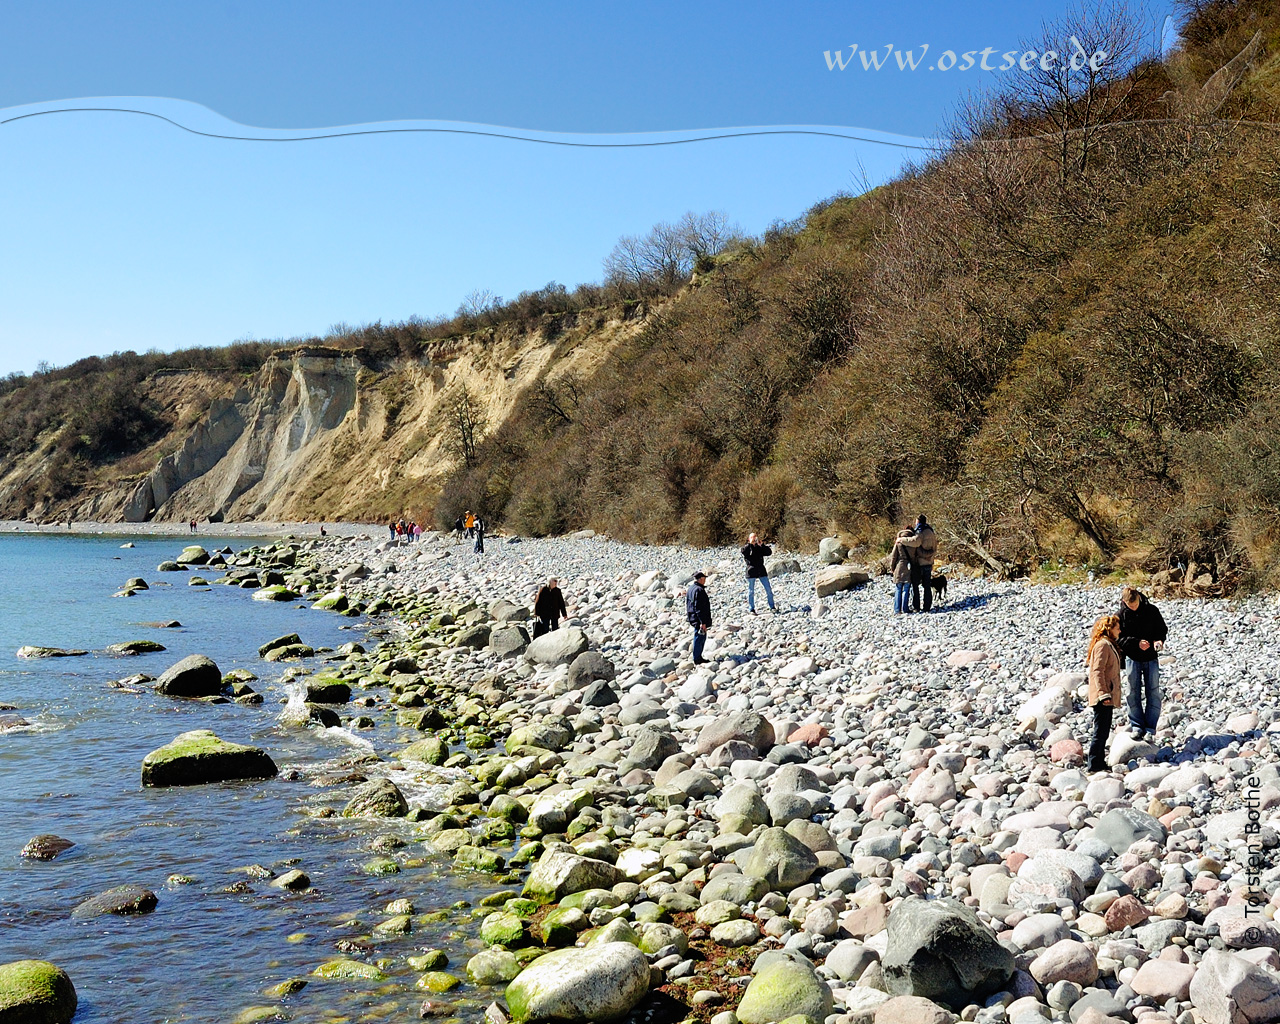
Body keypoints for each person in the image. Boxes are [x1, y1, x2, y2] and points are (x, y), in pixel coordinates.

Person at [1118, 586, 1167, 741]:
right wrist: (1136, 643)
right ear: (1124, 602)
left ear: (1139, 597)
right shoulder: (1120, 615)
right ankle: (1137, 726)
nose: (1134, 607)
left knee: (1153, 692)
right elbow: (1118, 639)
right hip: (1132, 658)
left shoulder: (1152, 610)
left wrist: (1159, 641)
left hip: (1151, 657)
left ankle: (1150, 728)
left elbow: (1162, 630)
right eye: (1130, 606)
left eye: (1135, 604)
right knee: (1132, 692)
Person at [1086, 613, 1123, 773]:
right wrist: (1103, 694)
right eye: (1117, 628)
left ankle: (1099, 762)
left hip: (1107, 694)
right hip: (1103, 696)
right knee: (1100, 731)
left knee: (1104, 730)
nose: (1120, 631)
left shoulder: (1108, 644)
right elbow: (1097, 671)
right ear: (1110, 629)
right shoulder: (1102, 645)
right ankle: (1094, 764)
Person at [898, 514, 938, 612]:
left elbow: (915, 541)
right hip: (929, 562)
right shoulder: (931, 531)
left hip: (920, 563)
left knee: (915, 585)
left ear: (918, 521)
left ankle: (916, 606)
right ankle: (927, 606)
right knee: (927, 586)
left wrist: (901, 540)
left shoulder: (920, 531)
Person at [741, 532, 777, 614]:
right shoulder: (747, 548)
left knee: (768, 589)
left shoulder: (759, 547)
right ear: (748, 539)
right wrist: (750, 544)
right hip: (751, 570)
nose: (754, 539)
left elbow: (769, 553)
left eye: (755, 537)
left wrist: (762, 545)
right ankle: (751, 609)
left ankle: (772, 606)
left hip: (761, 570)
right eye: (752, 537)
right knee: (751, 591)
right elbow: (744, 552)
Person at [686, 570, 712, 665]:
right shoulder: (699, 590)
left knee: (699, 637)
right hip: (698, 619)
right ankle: (697, 658)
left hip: (692, 616)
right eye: (704, 578)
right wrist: (703, 622)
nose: (705, 580)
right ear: (700, 579)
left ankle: (697, 657)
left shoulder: (691, 588)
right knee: (700, 637)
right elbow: (699, 608)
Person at [890, 529, 915, 614]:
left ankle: (897, 609)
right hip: (909, 566)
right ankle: (905, 608)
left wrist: (892, 568)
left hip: (899, 566)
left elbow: (893, 556)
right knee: (906, 589)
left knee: (898, 588)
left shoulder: (898, 543)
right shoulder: (913, 544)